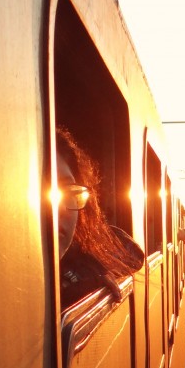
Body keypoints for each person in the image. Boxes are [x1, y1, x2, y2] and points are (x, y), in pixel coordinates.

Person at [54, 126, 144, 306]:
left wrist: (81, 277)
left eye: (69, 192)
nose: (61, 208)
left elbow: (133, 256)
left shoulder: (78, 260)